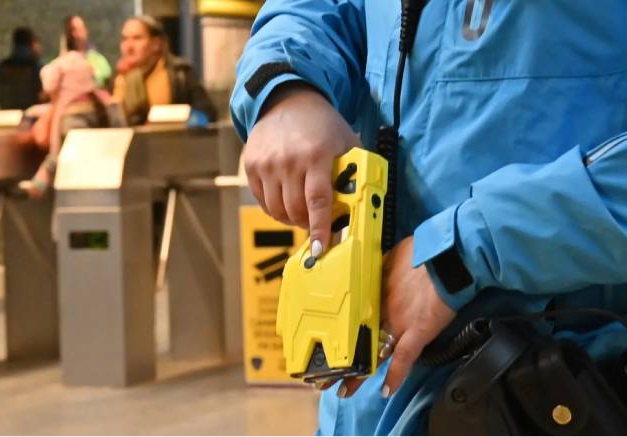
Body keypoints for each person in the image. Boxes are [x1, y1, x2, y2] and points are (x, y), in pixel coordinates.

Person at [230, 1, 627, 435]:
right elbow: (317, 11)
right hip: (375, 392)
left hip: (560, 385)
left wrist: (470, 247)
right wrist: (286, 88)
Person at [22, 46, 124, 198]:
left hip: (84, 192)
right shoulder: (110, 105)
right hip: (117, 184)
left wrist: (40, 181)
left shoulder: (70, 116)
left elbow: (62, 154)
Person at [111, 15, 217, 125]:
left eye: (137, 38)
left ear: (156, 44)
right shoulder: (118, 78)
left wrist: (188, 120)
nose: (128, 47)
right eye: (124, 39)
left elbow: (207, 113)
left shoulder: (179, 74)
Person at [0, 27, 43, 110]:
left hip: (7, 116)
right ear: (32, 43)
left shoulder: (2, 67)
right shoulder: (36, 68)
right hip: (31, 116)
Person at [63, 15, 112, 88]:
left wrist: (91, 74)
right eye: (74, 29)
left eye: (81, 28)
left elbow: (106, 73)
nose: (77, 33)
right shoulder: (64, 59)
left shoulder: (95, 57)